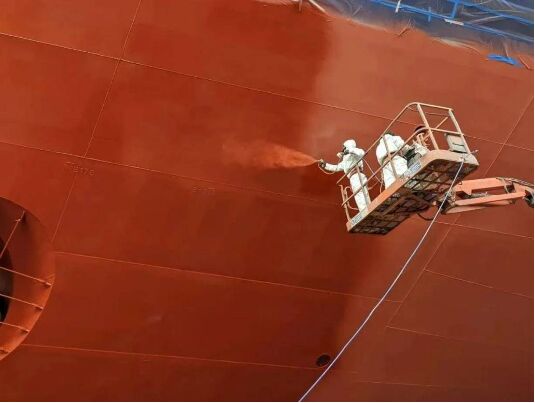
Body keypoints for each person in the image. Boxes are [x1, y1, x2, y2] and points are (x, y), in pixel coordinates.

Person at [318, 139, 370, 212]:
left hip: (357, 175)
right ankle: (367, 209)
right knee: (361, 193)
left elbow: (362, 152)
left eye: (344, 147)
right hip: (354, 177)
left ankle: (365, 210)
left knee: (360, 193)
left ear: (348, 146)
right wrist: (325, 165)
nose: (342, 149)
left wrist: (350, 150)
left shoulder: (354, 153)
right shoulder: (345, 160)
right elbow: (337, 167)